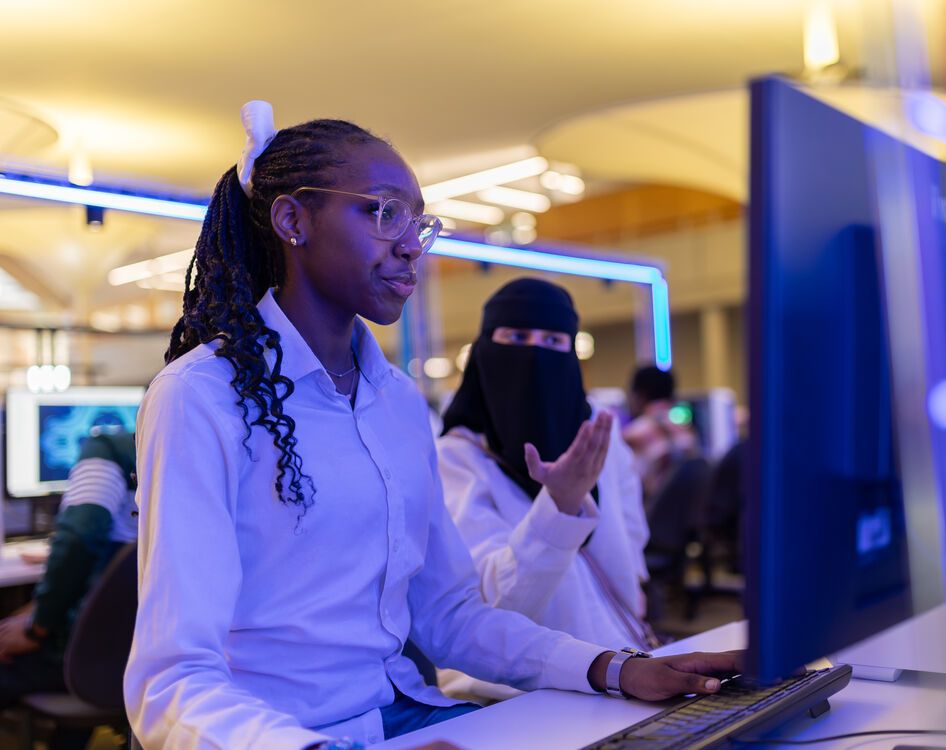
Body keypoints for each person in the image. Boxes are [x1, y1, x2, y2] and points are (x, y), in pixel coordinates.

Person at [123, 101, 740, 750]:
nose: (411, 245)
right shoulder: (201, 398)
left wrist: (614, 668)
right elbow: (172, 683)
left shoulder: (396, 401)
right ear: (292, 220)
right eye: (381, 211)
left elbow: (450, 616)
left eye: (419, 223)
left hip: (403, 715)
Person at [435, 278, 656, 702]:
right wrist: (558, 507)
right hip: (511, 696)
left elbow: (633, 553)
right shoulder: (456, 461)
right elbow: (489, 617)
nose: (534, 354)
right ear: (485, 349)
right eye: (516, 337)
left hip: (627, 671)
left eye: (553, 340)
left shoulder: (601, 446)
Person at [0, 428, 136, 747]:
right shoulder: (184, 459)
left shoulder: (110, 448)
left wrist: (37, 629)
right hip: (138, 654)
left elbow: (79, 537)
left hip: (85, 655)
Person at [622, 365, 699, 500]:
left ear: (640, 395)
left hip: (648, 518)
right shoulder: (688, 433)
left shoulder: (633, 436)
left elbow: (625, 490)